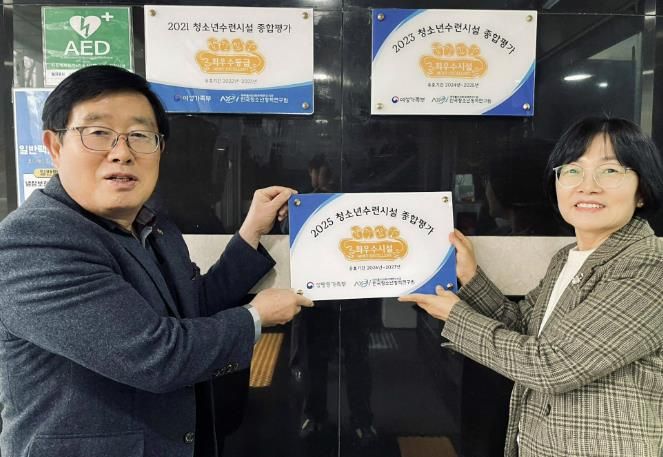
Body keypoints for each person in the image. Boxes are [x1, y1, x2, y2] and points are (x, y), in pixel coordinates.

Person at [0, 65, 313, 457]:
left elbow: (193, 306)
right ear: (55, 146)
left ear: (160, 148)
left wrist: (251, 232)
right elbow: (157, 357)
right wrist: (256, 316)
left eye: (139, 135)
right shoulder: (33, 243)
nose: (122, 152)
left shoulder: (154, 225)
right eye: (98, 133)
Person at [400, 117, 663, 457]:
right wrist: (471, 277)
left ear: (642, 190)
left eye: (610, 171)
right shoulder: (568, 258)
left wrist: (455, 316)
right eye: (572, 170)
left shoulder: (651, 266)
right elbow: (523, 327)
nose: (588, 186)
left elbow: (554, 364)